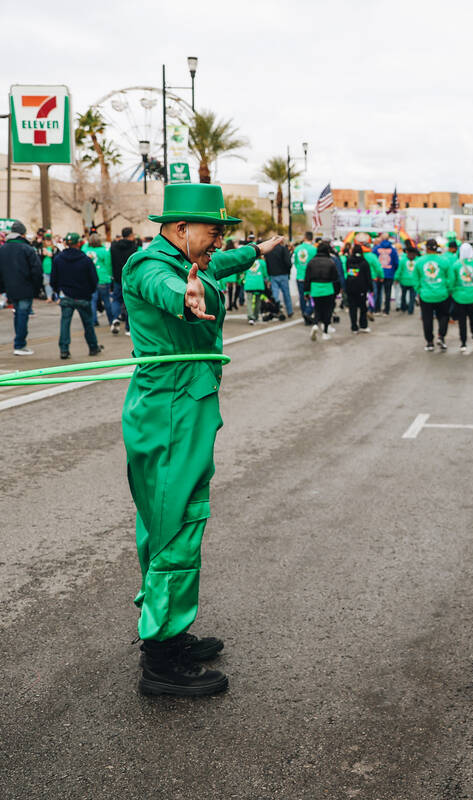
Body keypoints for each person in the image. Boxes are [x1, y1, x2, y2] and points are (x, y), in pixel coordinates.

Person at [123, 183, 284, 695]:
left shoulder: (192, 259)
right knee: (178, 522)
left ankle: (168, 629)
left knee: (165, 518)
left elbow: (217, 266)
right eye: (213, 233)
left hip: (183, 404)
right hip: (171, 411)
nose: (218, 242)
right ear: (179, 228)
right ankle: (162, 659)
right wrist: (183, 298)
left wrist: (256, 251)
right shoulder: (153, 266)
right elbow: (163, 287)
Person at [0, 221, 43, 356]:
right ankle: (20, 344)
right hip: (25, 286)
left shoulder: (2, 249)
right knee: (22, 314)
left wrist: (2, 288)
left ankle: (19, 342)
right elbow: (36, 270)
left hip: (10, 287)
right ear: (22, 233)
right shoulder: (27, 249)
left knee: (18, 314)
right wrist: (37, 288)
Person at [50, 232, 102, 359]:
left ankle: (64, 349)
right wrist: (89, 292)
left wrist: (58, 291)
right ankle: (93, 347)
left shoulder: (58, 259)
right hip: (83, 296)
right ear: (79, 243)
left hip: (66, 295)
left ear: (67, 243)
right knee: (88, 324)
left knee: (65, 324)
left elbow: (53, 279)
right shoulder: (85, 260)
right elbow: (94, 279)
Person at [416, 238, 453, 351]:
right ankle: (441, 336)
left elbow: (416, 279)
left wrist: (419, 290)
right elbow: (450, 278)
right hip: (442, 294)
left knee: (427, 319)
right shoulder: (444, 260)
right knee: (443, 316)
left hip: (426, 295)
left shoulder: (420, 261)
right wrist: (448, 289)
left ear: (426, 248)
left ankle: (429, 342)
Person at [450, 243, 473, 354]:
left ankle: (463, 342)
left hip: (459, 297)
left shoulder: (456, 265)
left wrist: (453, 291)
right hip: (472, 295)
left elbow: (452, 281)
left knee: (462, 321)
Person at [306, 242, 342, 341]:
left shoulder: (311, 262)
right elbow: (336, 278)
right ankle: (325, 332)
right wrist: (337, 290)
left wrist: (306, 292)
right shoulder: (331, 262)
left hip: (315, 288)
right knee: (327, 310)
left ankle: (315, 324)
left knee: (317, 308)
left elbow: (307, 278)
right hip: (328, 288)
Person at [110, 226, 140, 334]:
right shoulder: (134, 247)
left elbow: (111, 262)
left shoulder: (113, 247)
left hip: (117, 277)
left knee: (116, 299)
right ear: (130, 235)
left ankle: (115, 318)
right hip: (130, 278)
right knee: (129, 302)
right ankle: (128, 327)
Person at [83, 232, 115, 328]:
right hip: (103, 278)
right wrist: (110, 275)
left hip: (89, 279)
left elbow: (84, 246)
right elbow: (108, 265)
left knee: (92, 301)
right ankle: (111, 320)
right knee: (107, 301)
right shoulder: (104, 251)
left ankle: (93, 321)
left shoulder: (85, 250)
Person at [344, 244, 373, 333]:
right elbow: (368, 277)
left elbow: (349, 272)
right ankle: (363, 325)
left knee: (352, 308)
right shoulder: (364, 262)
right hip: (361, 288)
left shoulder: (349, 261)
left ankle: (354, 326)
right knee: (363, 308)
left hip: (350, 288)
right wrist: (371, 288)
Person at [264, 234, 293, 318]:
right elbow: (288, 262)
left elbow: (267, 263)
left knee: (275, 293)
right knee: (286, 293)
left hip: (273, 274)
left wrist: (269, 274)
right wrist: (288, 271)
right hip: (283, 274)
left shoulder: (269, 251)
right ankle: (289, 310)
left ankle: (277, 309)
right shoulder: (283, 249)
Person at [293, 231, 317, 323]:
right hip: (311, 276)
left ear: (304, 237)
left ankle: (304, 313)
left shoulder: (297, 248)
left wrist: (300, 268)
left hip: (300, 275)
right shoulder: (314, 249)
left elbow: (295, 262)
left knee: (302, 296)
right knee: (313, 295)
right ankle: (309, 311)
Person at [242, 252, 269, 325]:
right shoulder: (262, 262)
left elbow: (243, 272)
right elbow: (265, 274)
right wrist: (267, 281)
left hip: (249, 283)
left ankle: (250, 317)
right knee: (258, 301)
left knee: (249, 301)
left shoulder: (247, 262)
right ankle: (256, 316)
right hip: (258, 283)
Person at [374, 235, 397, 314]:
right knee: (388, 293)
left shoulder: (376, 249)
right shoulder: (393, 250)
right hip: (389, 274)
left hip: (378, 275)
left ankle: (377, 309)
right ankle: (386, 310)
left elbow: (374, 262)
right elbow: (396, 263)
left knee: (378, 292)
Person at [396, 245, 420, 315]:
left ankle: (403, 308)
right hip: (413, 281)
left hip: (404, 281)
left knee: (403, 295)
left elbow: (399, 270)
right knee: (412, 297)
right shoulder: (418, 260)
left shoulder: (403, 260)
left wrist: (396, 278)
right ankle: (410, 310)